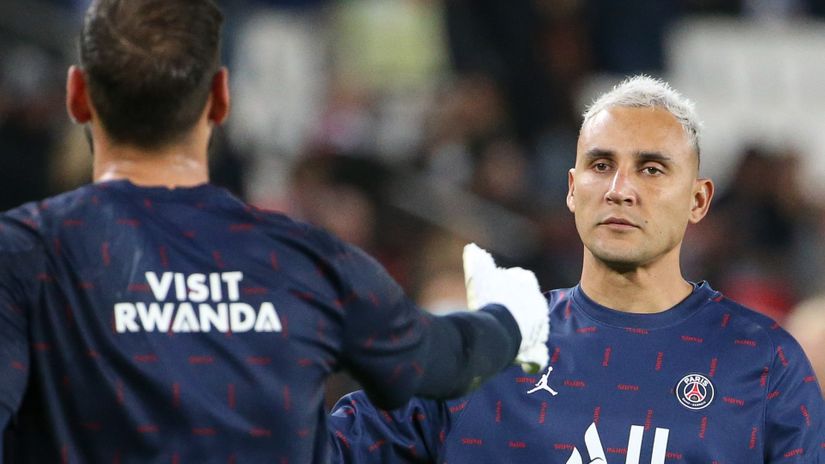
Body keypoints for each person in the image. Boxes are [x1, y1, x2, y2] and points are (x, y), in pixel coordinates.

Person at [0, 1, 550, 462]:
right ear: (220, 98)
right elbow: (443, 361)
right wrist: (510, 315)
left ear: (77, 95)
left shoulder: (22, 256)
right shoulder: (307, 261)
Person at [328, 75, 825, 463]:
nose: (620, 189)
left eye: (651, 169)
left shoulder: (763, 364)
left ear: (698, 199)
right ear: (571, 188)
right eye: (601, 165)